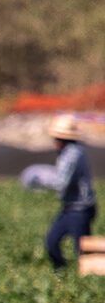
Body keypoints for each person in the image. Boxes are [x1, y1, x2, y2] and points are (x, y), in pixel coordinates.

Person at [43, 114, 97, 269]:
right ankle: (62, 274)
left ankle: (88, 279)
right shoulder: (68, 152)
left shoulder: (72, 154)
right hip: (69, 208)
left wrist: (40, 180)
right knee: (52, 242)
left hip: (80, 209)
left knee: (82, 251)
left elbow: (61, 182)